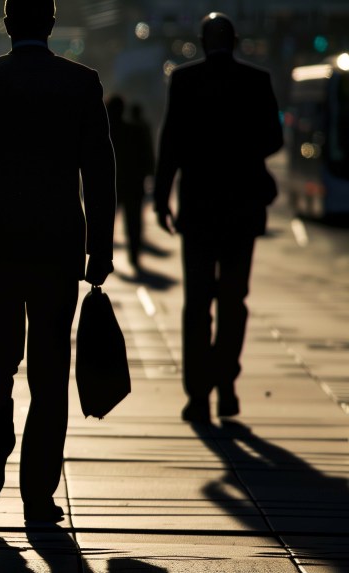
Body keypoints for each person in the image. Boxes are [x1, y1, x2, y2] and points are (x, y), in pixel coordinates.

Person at [0, 0, 116, 523]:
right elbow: (100, 171)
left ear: (7, 23)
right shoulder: (81, 83)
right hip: (57, 244)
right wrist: (99, 248)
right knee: (48, 370)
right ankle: (38, 493)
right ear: (53, 24)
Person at [154, 12, 283, 423]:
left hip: (198, 209)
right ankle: (226, 383)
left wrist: (161, 199)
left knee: (197, 305)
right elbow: (274, 139)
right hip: (242, 210)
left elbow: (170, 143)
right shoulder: (256, 81)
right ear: (237, 40)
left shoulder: (186, 80)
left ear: (203, 41)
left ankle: (198, 394)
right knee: (233, 301)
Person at [106, 94, 154, 275]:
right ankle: (134, 254)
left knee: (107, 222)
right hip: (133, 184)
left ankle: (104, 255)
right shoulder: (135, 130)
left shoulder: (105, 132)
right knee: (134, 223)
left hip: (112, 186)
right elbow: (146, 156)